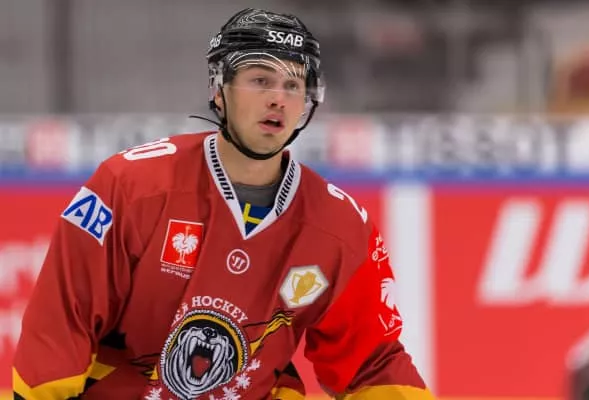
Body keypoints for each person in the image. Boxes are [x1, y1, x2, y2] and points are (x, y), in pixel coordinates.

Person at [13, 8, 435, 400]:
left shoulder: (339, 227)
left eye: (293, 85)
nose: (278, 98)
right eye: (261, 80)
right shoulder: (130, 186)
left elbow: (372, 363)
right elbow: (62, 323)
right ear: (219, 89)